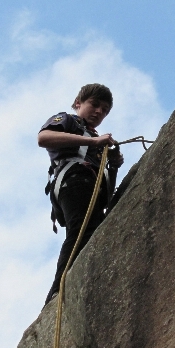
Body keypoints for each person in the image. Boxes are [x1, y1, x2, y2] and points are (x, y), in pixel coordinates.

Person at [38, 83, 124, 304]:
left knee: (92, 233)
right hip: (74, 182)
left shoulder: (97, 141)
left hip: (91, 189)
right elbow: (44, 138)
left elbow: (106, 187)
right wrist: (93, 141)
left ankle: (76, 285)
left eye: (104, 110)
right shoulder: (68, 121)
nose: (99, 112)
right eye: (94, 105)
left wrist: (113, 164)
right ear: (78, 103)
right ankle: (58, 291)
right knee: (81, 232)